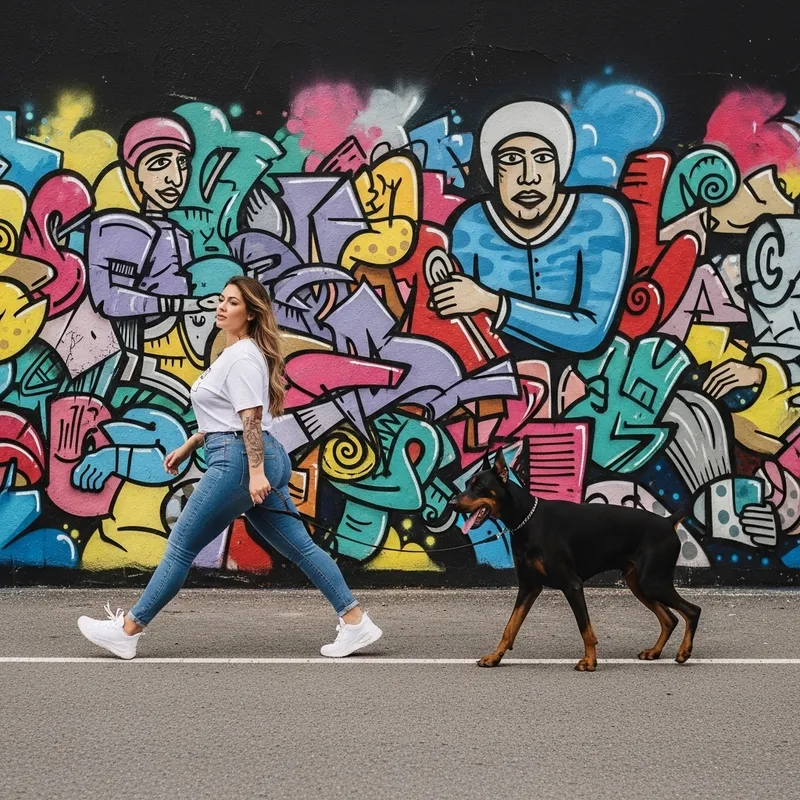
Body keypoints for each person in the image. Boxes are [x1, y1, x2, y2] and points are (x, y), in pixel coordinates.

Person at [77, 276, 383, 659]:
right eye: (222, 300)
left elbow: (250, 418)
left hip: (240, 461)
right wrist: (191, 443)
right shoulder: (236, 354)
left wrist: (255, 474)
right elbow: (223, 414)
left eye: (233, 303)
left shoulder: (241, 358)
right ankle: (355, 622)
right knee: (301, 548)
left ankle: (128, 631)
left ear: (251, 314)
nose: (222, 306)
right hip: (250, 455)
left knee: (180, 547)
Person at [433, 100, 633, 355]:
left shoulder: (601, 217)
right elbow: (467, 331)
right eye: (512, 159)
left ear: (559, 166)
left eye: (542, 158)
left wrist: (491, 302)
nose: (529, 176)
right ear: (493, 169)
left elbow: (590, 333)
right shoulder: (472, 224)